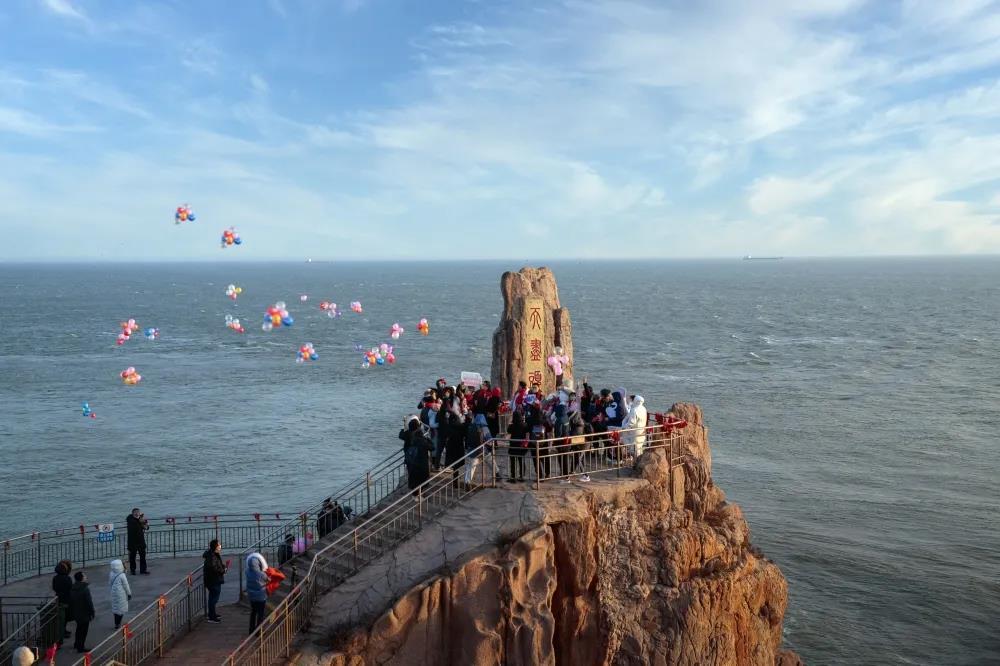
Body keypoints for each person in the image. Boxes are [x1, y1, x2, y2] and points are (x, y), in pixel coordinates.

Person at [400, 417, 433, 495]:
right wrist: (428, 439)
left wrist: (404, 426)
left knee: (412, 475)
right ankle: (419, 492)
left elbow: (401, 435)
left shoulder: (408, 433)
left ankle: (415, 491)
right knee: (421, 477)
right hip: (421, 461)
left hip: (410, 457)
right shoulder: (422, 439)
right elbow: (432, 447)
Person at [245, 553, 270, 635]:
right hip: (261, 597)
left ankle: (251, 630)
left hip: (251, 596)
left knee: (253, 612)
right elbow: (268, 579)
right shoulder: (261, 574)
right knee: (260, 614)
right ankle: (259, 631)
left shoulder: (247, 572)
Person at [70, 571, 95, 653]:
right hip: (84, 613)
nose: (86, 577)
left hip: (76, 611)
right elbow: (89, 602)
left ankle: (76, 643)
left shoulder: (73, 588)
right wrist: (92, 612)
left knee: (79, 628)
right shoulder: (85, 589)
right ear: (81, 578)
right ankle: (81, 647)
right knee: (84, 630)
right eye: (84, 576)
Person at [203, 539, 226, 623]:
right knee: (214, 598)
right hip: (213, 580)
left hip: (212, 579)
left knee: (212, 598)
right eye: (219, 544)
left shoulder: (213, 554)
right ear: (216, 547)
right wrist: (223, 570)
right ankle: (212, 617)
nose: (220, 546)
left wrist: (223, 567)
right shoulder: (213, 556)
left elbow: (216, 565)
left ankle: (212, 614)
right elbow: (213, 568)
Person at [52, 560, 73, 645]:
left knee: (61, 616)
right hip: (66, 598)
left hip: (59, 598)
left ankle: (63, 631)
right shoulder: (67, 578)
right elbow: (70, 588)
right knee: (65, 616)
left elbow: (54, 587)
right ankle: (62, 632)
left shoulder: (55, 578)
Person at [108, 559, 132, 629]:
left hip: (113, 592)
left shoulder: (111, 573)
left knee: (115, 608)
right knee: (121, 609)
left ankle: (116, 623)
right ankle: (118, 623)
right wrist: (129, 593)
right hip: (121, 593)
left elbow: (109, 583)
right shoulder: (122, 575)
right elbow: (126, 585)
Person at [126, 508, 149, 575]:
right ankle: (133, 571)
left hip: (141, 541)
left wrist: (143, 522)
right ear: (132, 513)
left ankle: (143, 570)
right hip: (132, 542)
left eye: (138, 512)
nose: (137, 513)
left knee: (143, 557)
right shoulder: (130, 519)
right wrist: (140, 520)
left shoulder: (140, 520)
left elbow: (146, 528)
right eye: (135, 512)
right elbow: (133, 524)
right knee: (132, 557)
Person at [506, 411, 528, 482]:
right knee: (521, 461)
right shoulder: (524, 425)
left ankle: (513, 477)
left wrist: (510, 422)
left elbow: (508, 431)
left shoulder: (512, 426)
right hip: (521, 445)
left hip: (513, 445)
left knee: (513, 462)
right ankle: (522, 476)